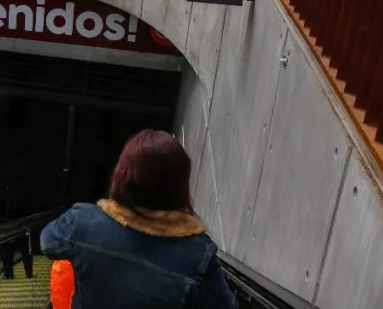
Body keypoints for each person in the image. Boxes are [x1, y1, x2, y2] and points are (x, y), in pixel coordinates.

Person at [41, 130, 237, 309]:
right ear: (178, 186)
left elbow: (46, 242)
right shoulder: (197, 254)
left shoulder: (82, 222)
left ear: (122, 175)